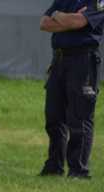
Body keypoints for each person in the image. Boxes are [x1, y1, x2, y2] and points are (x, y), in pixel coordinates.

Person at [39, 1, 104, 179]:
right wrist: (67, 19)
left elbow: (79, 22)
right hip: (59, 60)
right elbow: (44, 24)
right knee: (54, 116)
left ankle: (78, 170)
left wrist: (58, 15)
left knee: (80, 117)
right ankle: (54, 166)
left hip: (82, 60)